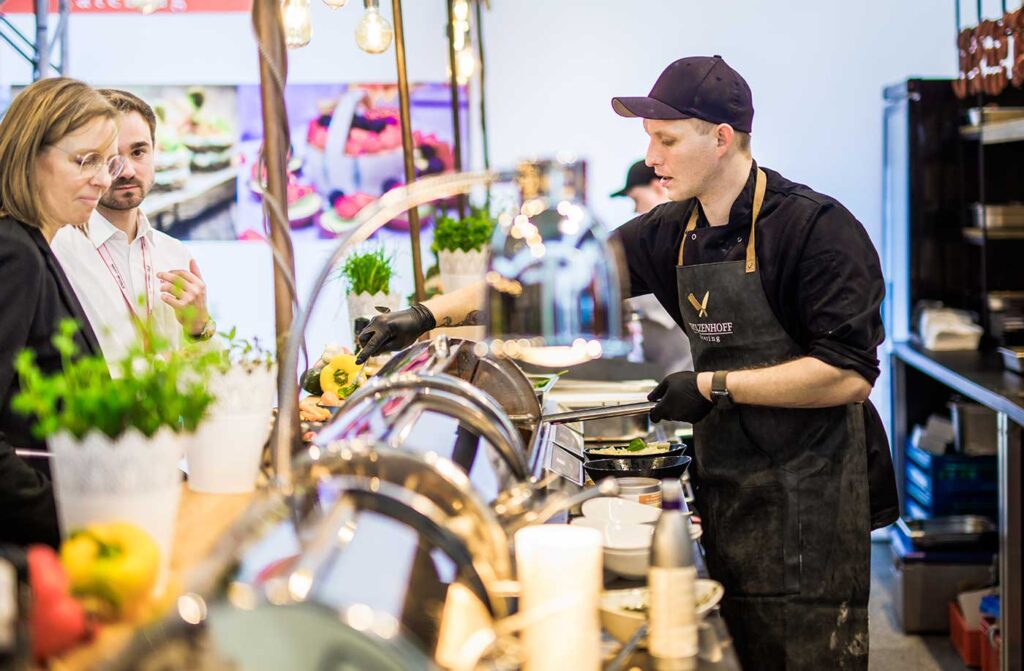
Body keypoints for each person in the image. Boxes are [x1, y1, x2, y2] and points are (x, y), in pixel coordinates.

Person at [355, 55, 899, 670]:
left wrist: (712, 385)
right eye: (649, 140)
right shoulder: (670, 230)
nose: (652, 158)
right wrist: (424, 315)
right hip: (728, 481)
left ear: (722, 138)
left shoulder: (817, 229)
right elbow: (545, 282)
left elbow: (847, 376)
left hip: (810, 493)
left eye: (667, 140)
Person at [0, 78, 121, 546]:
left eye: (107, 163)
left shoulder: (33, 246)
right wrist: (74, 523)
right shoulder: (16, 253)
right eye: (85, 161)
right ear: (30, 155)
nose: (103, 180)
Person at [52, 89, 216, 373]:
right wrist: (155, 367)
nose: (126, 170)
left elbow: (209, 376)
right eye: (111, 156)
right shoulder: (59, 251)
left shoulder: (173, 253)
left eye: (138, 152)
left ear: (155, 152)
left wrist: (199, 327)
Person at [612, 159, 692, 373]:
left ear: (657, 187)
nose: (635, 209)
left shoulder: (674, 246)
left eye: (636, 199)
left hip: (688, 372)